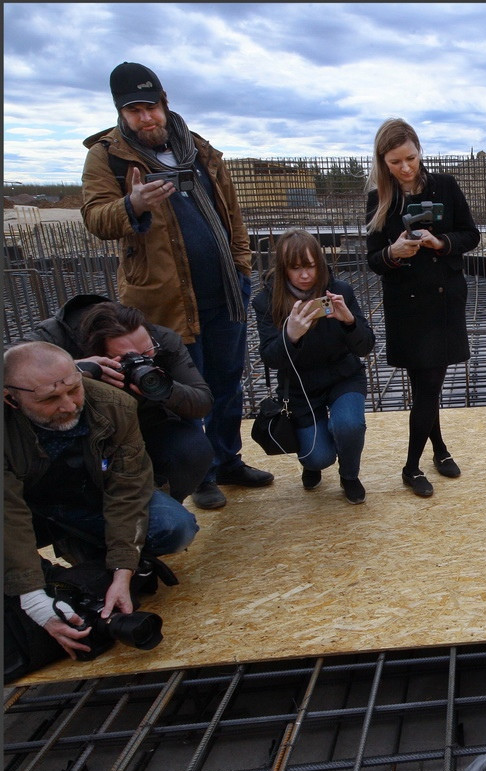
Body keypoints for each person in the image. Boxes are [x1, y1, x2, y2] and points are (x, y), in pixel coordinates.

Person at [80, 61, 273, 512]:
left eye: (151, 107)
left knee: (227, 383)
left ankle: (228, 460)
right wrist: (132, 203)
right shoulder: (108, 157)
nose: (145, 118)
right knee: (188, 389)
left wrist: (242, 268)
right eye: (134, 111)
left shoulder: (199, 149)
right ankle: (202, 474)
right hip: (164, 299)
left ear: (165, 103)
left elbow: (233, 216)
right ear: (121, 114)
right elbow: (95, 218)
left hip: (224, 293)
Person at [3, 341, 198, 680]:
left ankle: (91, 551)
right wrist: (34, 599)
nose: (68, 406)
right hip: (30, 510)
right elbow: (8, 514)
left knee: (174, 527)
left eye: (73, 390)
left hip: (87, 500)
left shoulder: (114, 404)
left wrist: (123, 571)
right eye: (49, 399)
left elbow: (128, 491)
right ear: (11, 397)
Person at [365, 118, 480, 498]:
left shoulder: (444, 185)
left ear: (419, 150)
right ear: (383, 161)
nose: (406, 168)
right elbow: (372, 260)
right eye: (395, 162)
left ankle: (418, 463)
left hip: (444, 301)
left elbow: (471, 235)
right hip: (407, 307)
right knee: (426, 385)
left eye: (410, 158)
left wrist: (439, 242)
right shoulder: (378, 197)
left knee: (430, 385)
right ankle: (426, 460)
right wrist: (393, 252)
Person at [25, 295, 214, 503]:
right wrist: (73, 369)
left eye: (147, 351)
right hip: (72, 434)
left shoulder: (162, 338)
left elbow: (202, 402)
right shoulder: (52, 338)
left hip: (141, 426)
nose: (143, 359)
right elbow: (9, 371)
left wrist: (162, 384)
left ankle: (158, 509)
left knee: (191, 450)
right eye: (127, 358)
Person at [252, 229, 376, 504]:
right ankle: (312, 461)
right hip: (301, 387)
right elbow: (270, 359)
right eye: (295, 268)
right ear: (283, 269)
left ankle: (349, 475)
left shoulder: (339, 290)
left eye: (309, 266)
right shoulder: (267, 302)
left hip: (343, 376)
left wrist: (349, 323)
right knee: (319, 457)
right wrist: (291, 334)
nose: (305, 275)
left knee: (349, 425)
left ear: (319, 264)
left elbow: (366, 346)